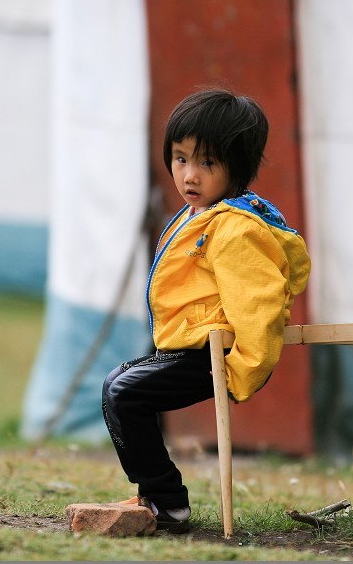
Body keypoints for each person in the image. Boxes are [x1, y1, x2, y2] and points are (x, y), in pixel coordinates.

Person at [101, 88, 311, 533]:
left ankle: (168, 503)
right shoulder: (200, 213)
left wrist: (243, 371)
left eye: (207, 163)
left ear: (238, 168)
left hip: (213, 354)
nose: (189, 175)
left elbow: (260, 306)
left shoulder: (234, 229)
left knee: (125, 393)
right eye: (180, 159)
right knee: (119, 385)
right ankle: (155, 494)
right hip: (189, 346)